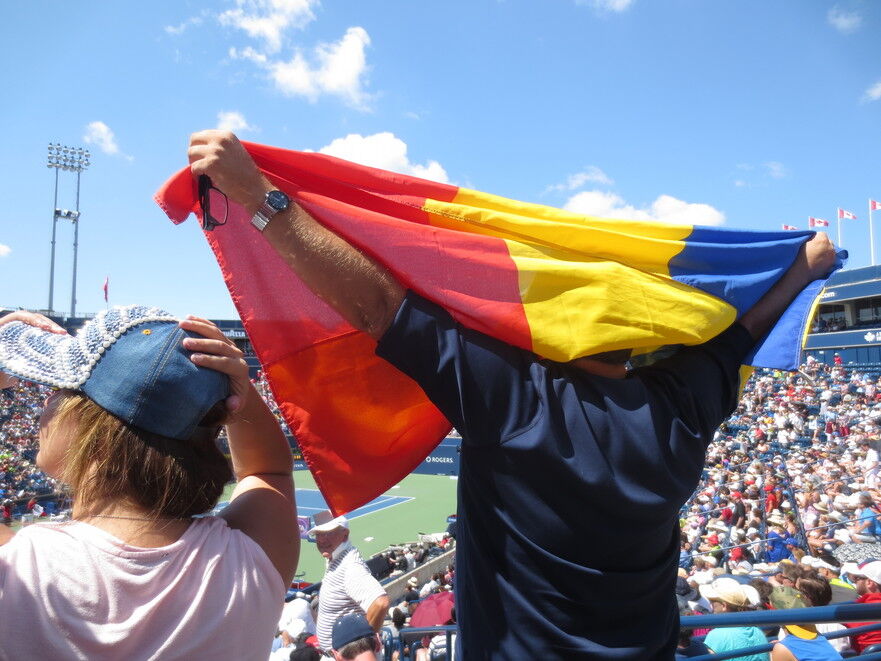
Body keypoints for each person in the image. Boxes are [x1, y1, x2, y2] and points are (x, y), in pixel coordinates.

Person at [188, 129, 838, 660]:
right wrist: (802, 267)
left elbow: (377, 303)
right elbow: (740, 333)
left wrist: (259, 198)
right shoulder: (681, 408)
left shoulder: (518, 397)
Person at [0, 305, 299, 660]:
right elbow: (268, 472)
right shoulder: (250, 562)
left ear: (91, 429)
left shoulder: (15, 567)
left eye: (60, 388)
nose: (47, 399)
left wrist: (237, 393)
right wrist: (240, 393)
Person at [308, 512, 389, 653]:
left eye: (327, 533)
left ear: (345, 535)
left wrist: (359, 649)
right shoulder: (334, 557)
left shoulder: (350, 566)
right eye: (318, 535)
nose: (321, 540)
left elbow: (380, 603)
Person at [700, 579, 768, 661]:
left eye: (712, 601)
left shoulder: (716, 635)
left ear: (724, 606)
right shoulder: (757, 631)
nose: (710, 605)